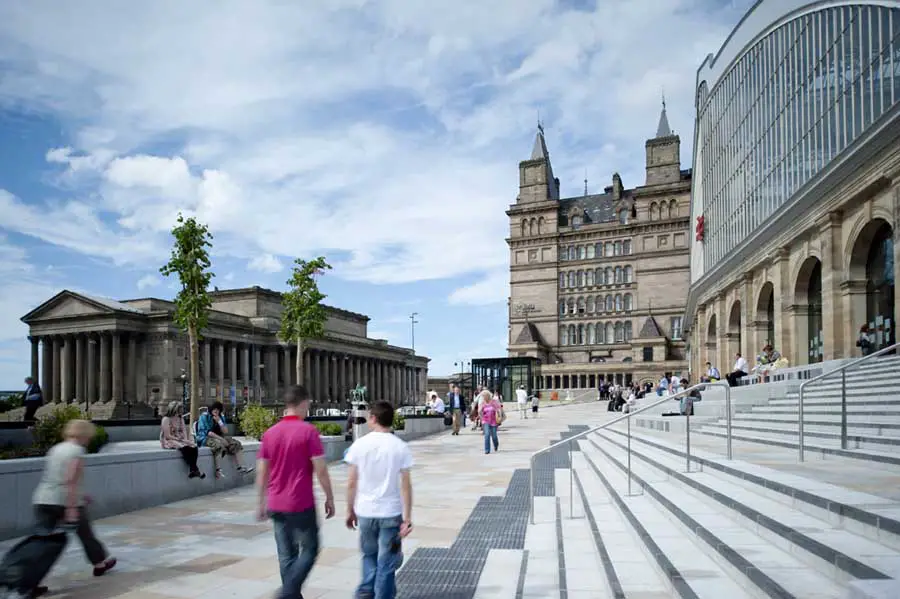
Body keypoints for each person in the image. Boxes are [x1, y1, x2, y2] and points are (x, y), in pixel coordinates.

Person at [256, 385, 335, 599]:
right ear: (302, 404)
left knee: (286, 555)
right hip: (300, 502)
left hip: (275, 503)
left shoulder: (270, 434)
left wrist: (260, 503)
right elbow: (321, 469)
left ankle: (290, 595)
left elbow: (262, 471)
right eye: (308, 404)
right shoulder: (308, 432)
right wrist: (329, 497)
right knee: (310, 549)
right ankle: (288, 592)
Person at [32, 420, 116, 591]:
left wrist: (82, 495)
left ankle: (30, 581)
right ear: (84, 435)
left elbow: (57, 476)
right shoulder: (77, 451)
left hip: (43, 499)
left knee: (41, 542)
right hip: (65, 501)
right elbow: (70, 480)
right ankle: (99, 563)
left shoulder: (56, 448)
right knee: (85, 533)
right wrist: (71, 508)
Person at [345, 401, 414, 599]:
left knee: (369, 556)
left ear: (374, 419)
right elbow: (406, 485)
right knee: (387, 563)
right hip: (390, 513)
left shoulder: (359, 445)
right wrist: (407, 518)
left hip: (365, 512)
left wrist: (350, 510)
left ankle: (365, 593)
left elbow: (351, 482)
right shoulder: (399, 447)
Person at [196, 401, 253, 479]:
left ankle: (241, 467)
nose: (216, 411)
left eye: (218, 409)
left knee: (236, 443)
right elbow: (208, 433)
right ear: (211, 409)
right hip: (205, 438)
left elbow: (225, 431)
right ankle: (218, 471)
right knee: (219, 445)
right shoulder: (204, 416)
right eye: (214, 409)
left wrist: (219, 421)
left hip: (220, 436)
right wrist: (221, 440)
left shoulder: (221, 417)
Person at [160, 401, 205, 479]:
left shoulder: (181, 419)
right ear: (174, 409)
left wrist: (186, 441)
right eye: (180, 409)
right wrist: (179, 440)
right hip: (169, 439)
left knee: (193, 445)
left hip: (179, 438)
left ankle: (193, 470)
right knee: (183, 446)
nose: (182, 410)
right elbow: (167, 435)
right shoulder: (166, 419)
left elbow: (184, 432)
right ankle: (195, 469)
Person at [479, 390, 501, 454]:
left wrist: (498, 414)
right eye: (483, 396)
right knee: (487, 435)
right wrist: (481, 414)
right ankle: (487, 450)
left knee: (494, 436)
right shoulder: (483, 403)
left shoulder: (494, 402)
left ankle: (496, 445)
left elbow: (498, 409)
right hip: (486, 421)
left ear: (488, 396)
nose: (484, 397)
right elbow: (480, 412)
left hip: (493, 421)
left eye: (485, 396)